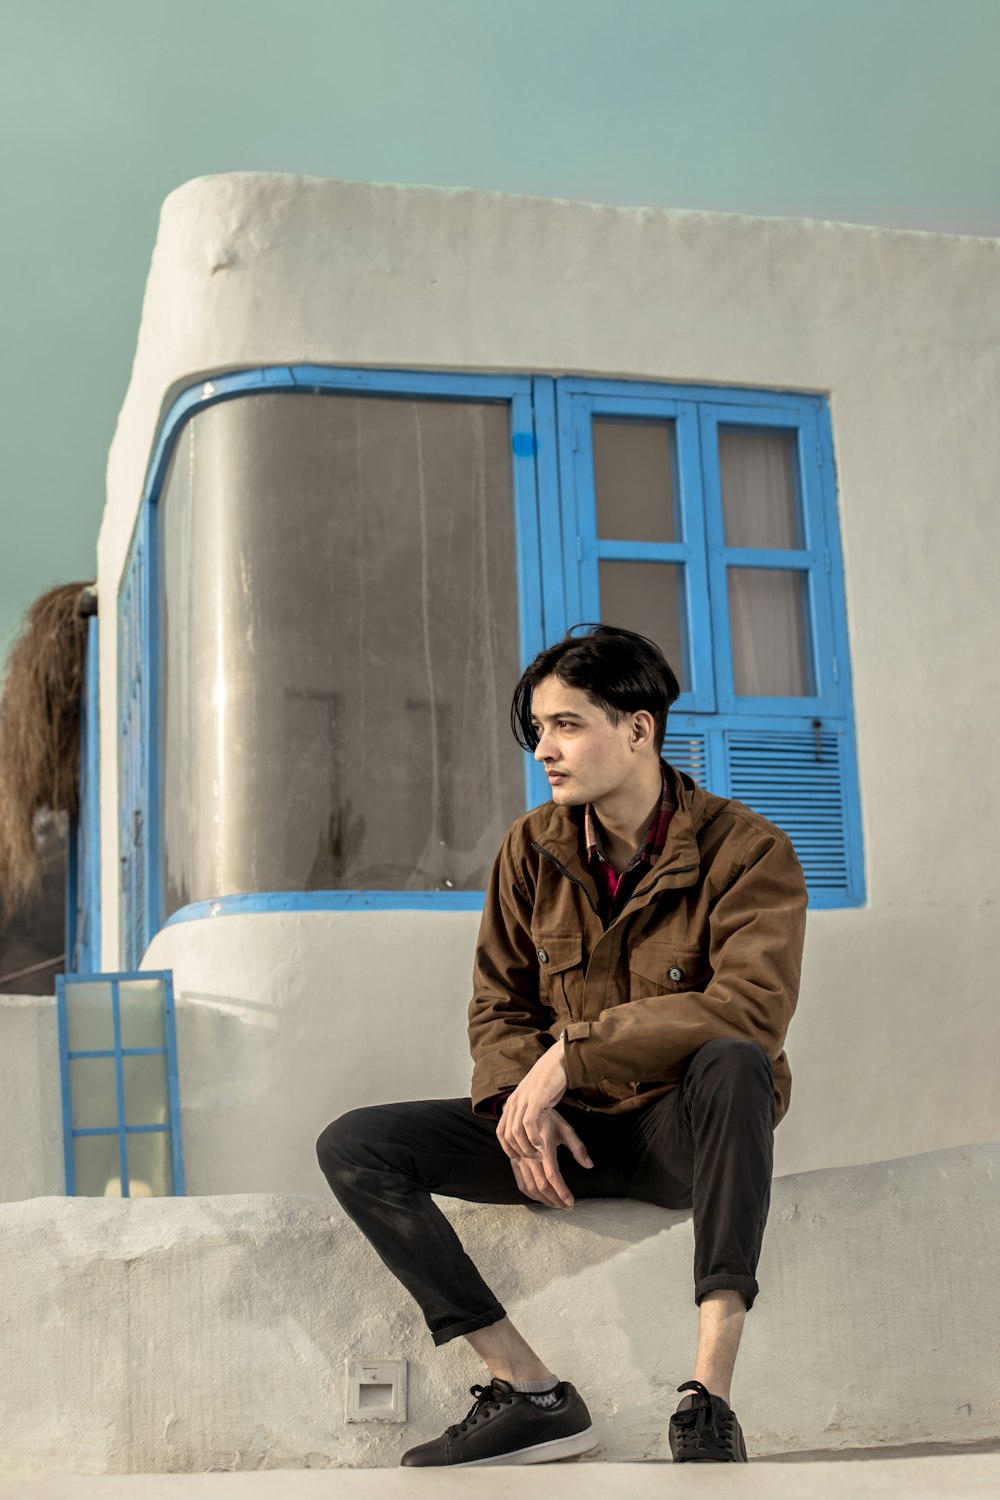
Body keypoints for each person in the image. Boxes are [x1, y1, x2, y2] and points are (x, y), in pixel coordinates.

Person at [316, 623, 807, 1466]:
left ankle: (708, 1399)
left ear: (638, 727)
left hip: (675, 1133)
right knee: (357, 1144)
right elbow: (499, 1004)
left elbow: (750, 1006)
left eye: (567, 725)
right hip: (564, 1138)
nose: (545, 749)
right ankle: (529, 1390)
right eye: (537, 730)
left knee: (737, 1062)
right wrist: (519, 1099)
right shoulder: (529, 849)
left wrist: (574, 1053)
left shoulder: (748, 850)